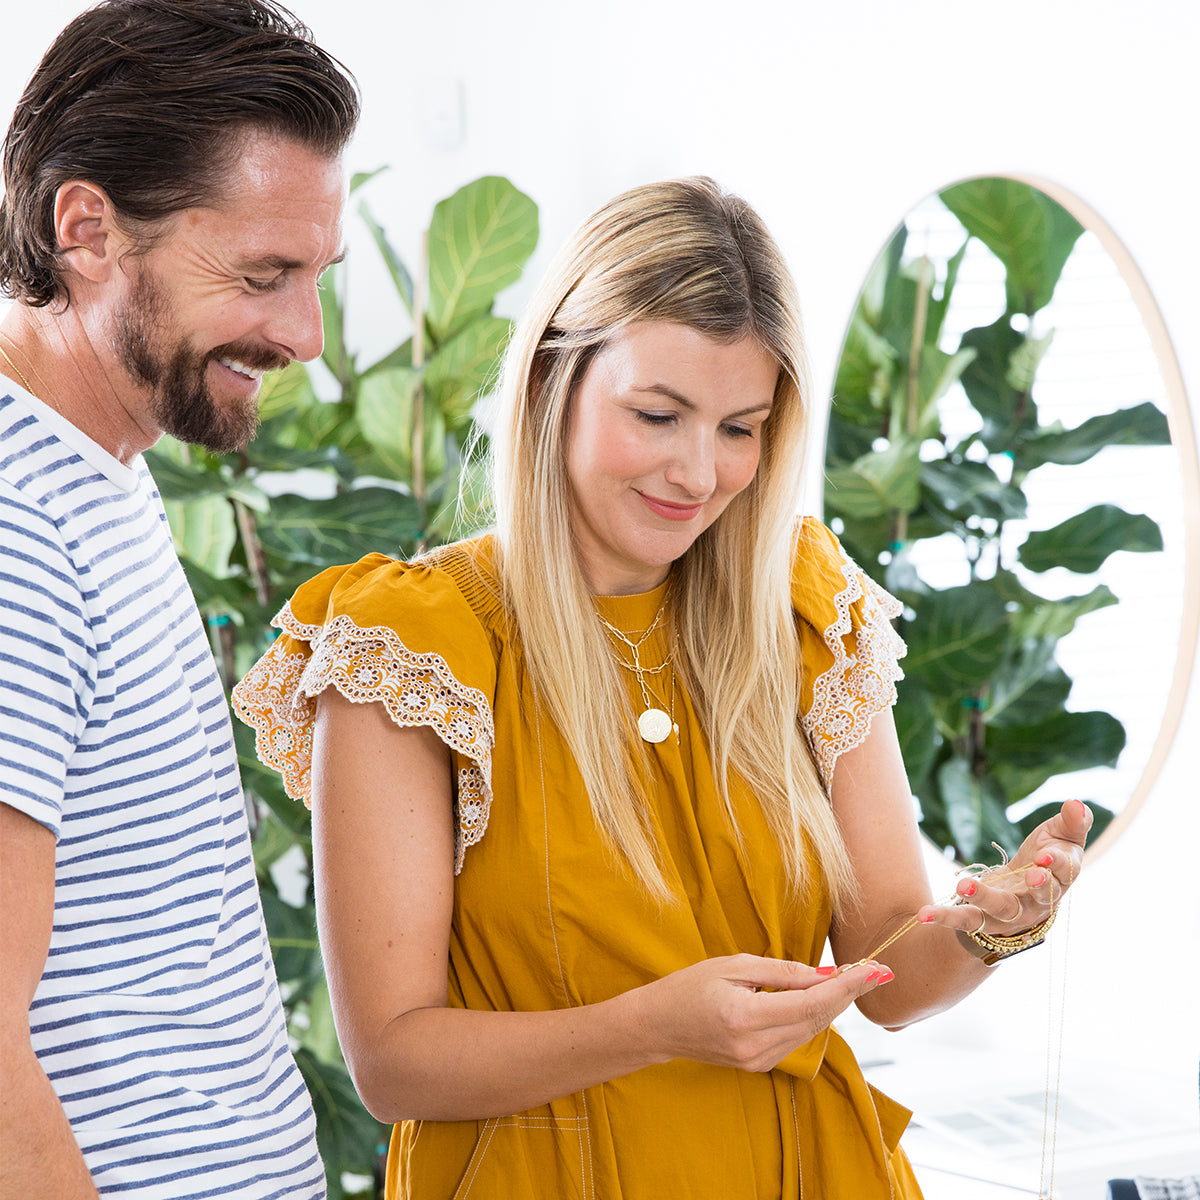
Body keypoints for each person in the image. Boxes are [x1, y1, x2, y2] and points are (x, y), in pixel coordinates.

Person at [232, 177, 1091, 1199]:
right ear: (554, 379)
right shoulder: (414, 648)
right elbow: (391, 1061)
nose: (699, 471)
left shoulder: (805, 614)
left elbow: (886, 971)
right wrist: (654, 1027)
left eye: (741, 427)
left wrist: (990, 924)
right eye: (659, 413)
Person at [0, 2, 357, 1196]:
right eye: (263, 276)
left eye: (317, 277)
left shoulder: (97, 465)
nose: (304, 335)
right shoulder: (17, 523)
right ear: (88, 229)